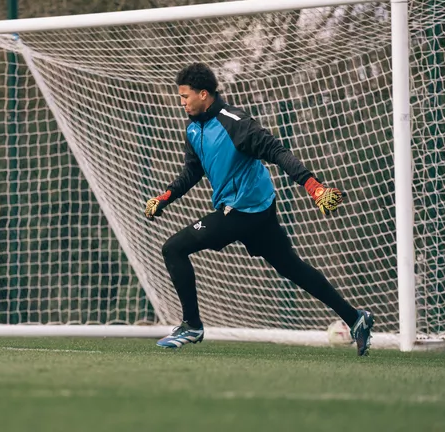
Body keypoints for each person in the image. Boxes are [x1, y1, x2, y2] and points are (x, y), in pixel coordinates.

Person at [144, 63, 374, 356]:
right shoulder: (193, 128)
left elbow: (277, 151)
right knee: (292, 267)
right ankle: (356, 319)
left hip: (244, 210)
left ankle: (192, 324)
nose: (182, 102)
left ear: (204, 94)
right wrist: (165, 197)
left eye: (185, 96)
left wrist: (313, 186)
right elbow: (192, 172)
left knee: (173, 248)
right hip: (257, 208)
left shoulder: (236, 123)